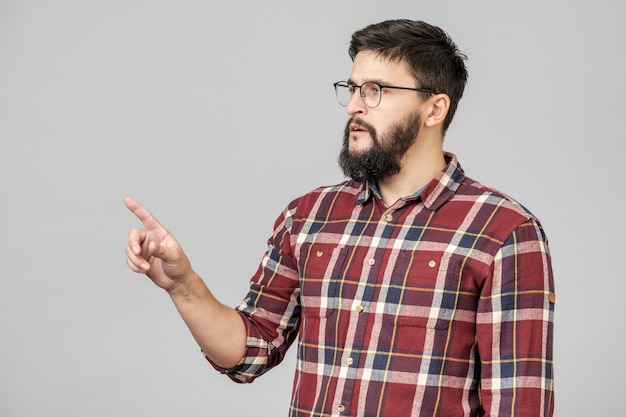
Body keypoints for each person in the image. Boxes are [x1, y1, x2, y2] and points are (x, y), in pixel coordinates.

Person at [124, 19, 555, 417]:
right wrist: (184, 286)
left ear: (434, 109)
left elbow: (520, 404)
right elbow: (249, 352)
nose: (353, 106)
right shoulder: (308, 217)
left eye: (375, 90)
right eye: (350, 89)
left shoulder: (505, 232)